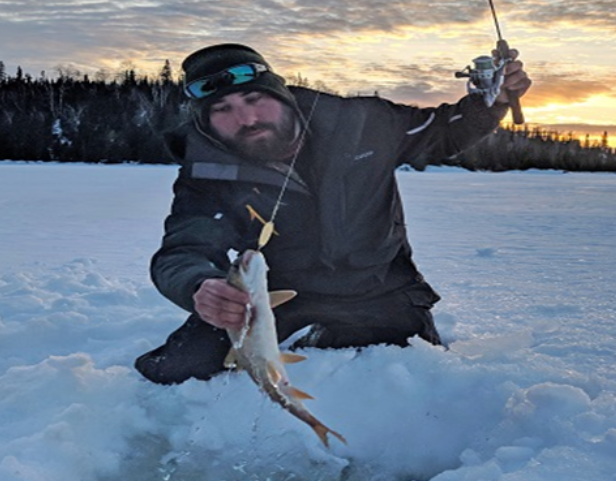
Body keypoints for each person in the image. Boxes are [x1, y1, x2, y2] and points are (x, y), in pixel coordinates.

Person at [135, 43, 531, 384]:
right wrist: (199, 287)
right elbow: (181, 252)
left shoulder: (360, 122)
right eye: (222, 108)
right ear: (205, 120)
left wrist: (490, 102)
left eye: (255, 100)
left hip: (381, 289)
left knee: (413, 378)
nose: (247, 119)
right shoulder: (208, 172)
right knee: (173, 371)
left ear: (281, 95)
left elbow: (442, 131)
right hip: (275, 299)